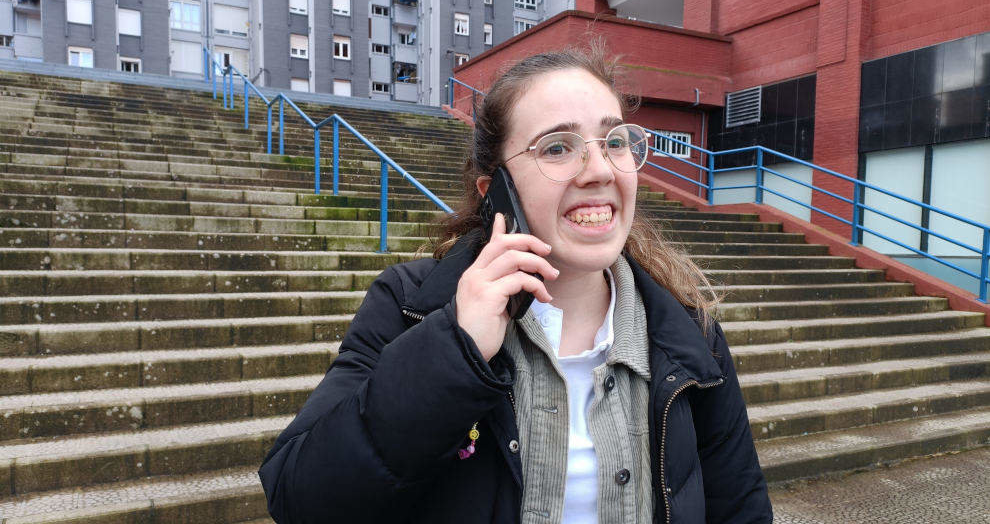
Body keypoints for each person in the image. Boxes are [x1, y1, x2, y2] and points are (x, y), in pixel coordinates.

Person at [259, 43, 773, 523]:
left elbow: (741, 509)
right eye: (557, 148)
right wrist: (455, 351)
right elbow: (299, 497)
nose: (599, 169)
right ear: (495, 192)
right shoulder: (411, 305)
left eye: (614, 141)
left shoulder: (687, 331)